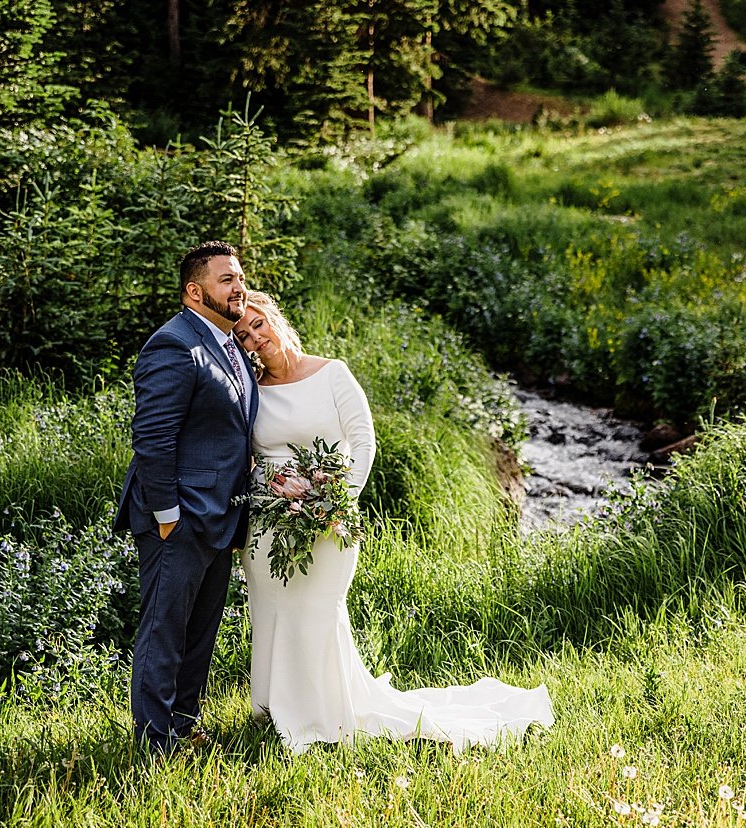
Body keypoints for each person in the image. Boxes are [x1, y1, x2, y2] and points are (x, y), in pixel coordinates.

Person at [232, 290, 555, 754]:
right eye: (243, 335)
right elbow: (253, 455)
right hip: (269, 523)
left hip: (331, 521)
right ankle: (273, 711)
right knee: (273, 611)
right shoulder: (252, 392)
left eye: (258, 325)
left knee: (318, 612)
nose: (254, 338)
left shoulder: (332, 373)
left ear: (276, 321)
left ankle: (326, 713)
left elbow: (364, 442)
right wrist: (272, 482)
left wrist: (335, 501)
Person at [114, 241, 257, 753]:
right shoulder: (173, 345)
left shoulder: (230, 343)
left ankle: (183, 724)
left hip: (221, 516)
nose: (238, 287)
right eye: (226, 280)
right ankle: (154, 745)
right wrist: (168, 516)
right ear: (194, 292)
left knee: (199, 634)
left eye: (239, 277)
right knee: (164, 633)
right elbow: (153, 439)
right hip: (177, 517)